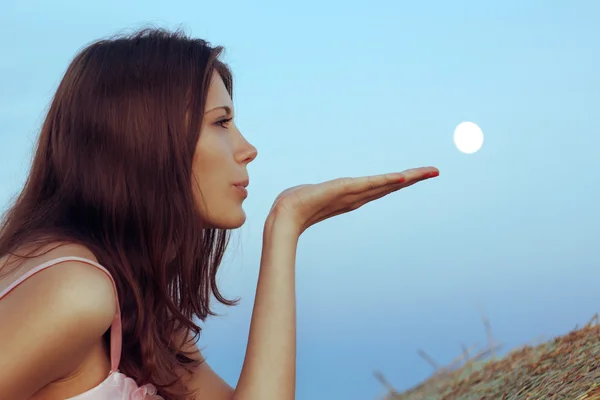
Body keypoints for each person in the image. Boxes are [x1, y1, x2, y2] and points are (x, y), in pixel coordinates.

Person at [0, 27, 439, 400]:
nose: (247, 149)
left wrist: (286, 223)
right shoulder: (76, 292)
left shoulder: (136, 307)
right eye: (221, 122)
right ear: (149, 139)